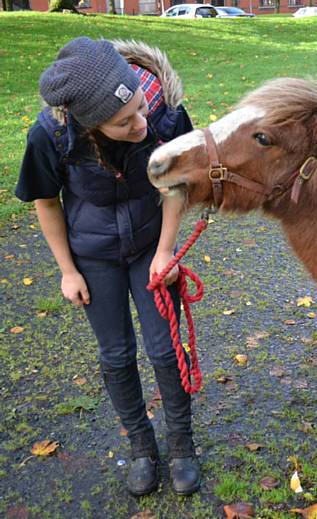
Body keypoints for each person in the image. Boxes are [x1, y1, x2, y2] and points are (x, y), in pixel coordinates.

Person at [15, 37, 200, 497]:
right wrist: (67, 270)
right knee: (116, 355)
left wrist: (166, 251)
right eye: (124, 122)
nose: (140, 123)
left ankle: (181, 446)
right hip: (92, 256)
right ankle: (142, 447)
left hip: (149, 247)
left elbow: (176, 187)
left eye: (139, 106)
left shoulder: (164, 115)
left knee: (164, 349)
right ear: (91, 124)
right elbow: (46, 202)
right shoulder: (51, 136)